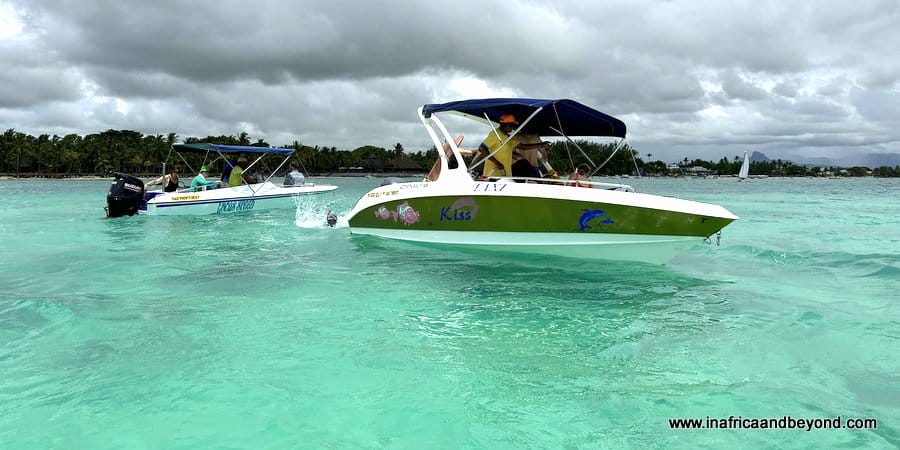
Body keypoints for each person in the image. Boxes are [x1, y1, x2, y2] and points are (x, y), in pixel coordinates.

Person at [475, 114, 520, 178]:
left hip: (505, 174)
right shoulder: (495, 134)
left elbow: (523, 147)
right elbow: (481, 148)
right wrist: (497, 163)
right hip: (492, 175)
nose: (513, 128)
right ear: (508, 125)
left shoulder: (508, 137)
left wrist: (539, 145)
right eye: (512, 126)